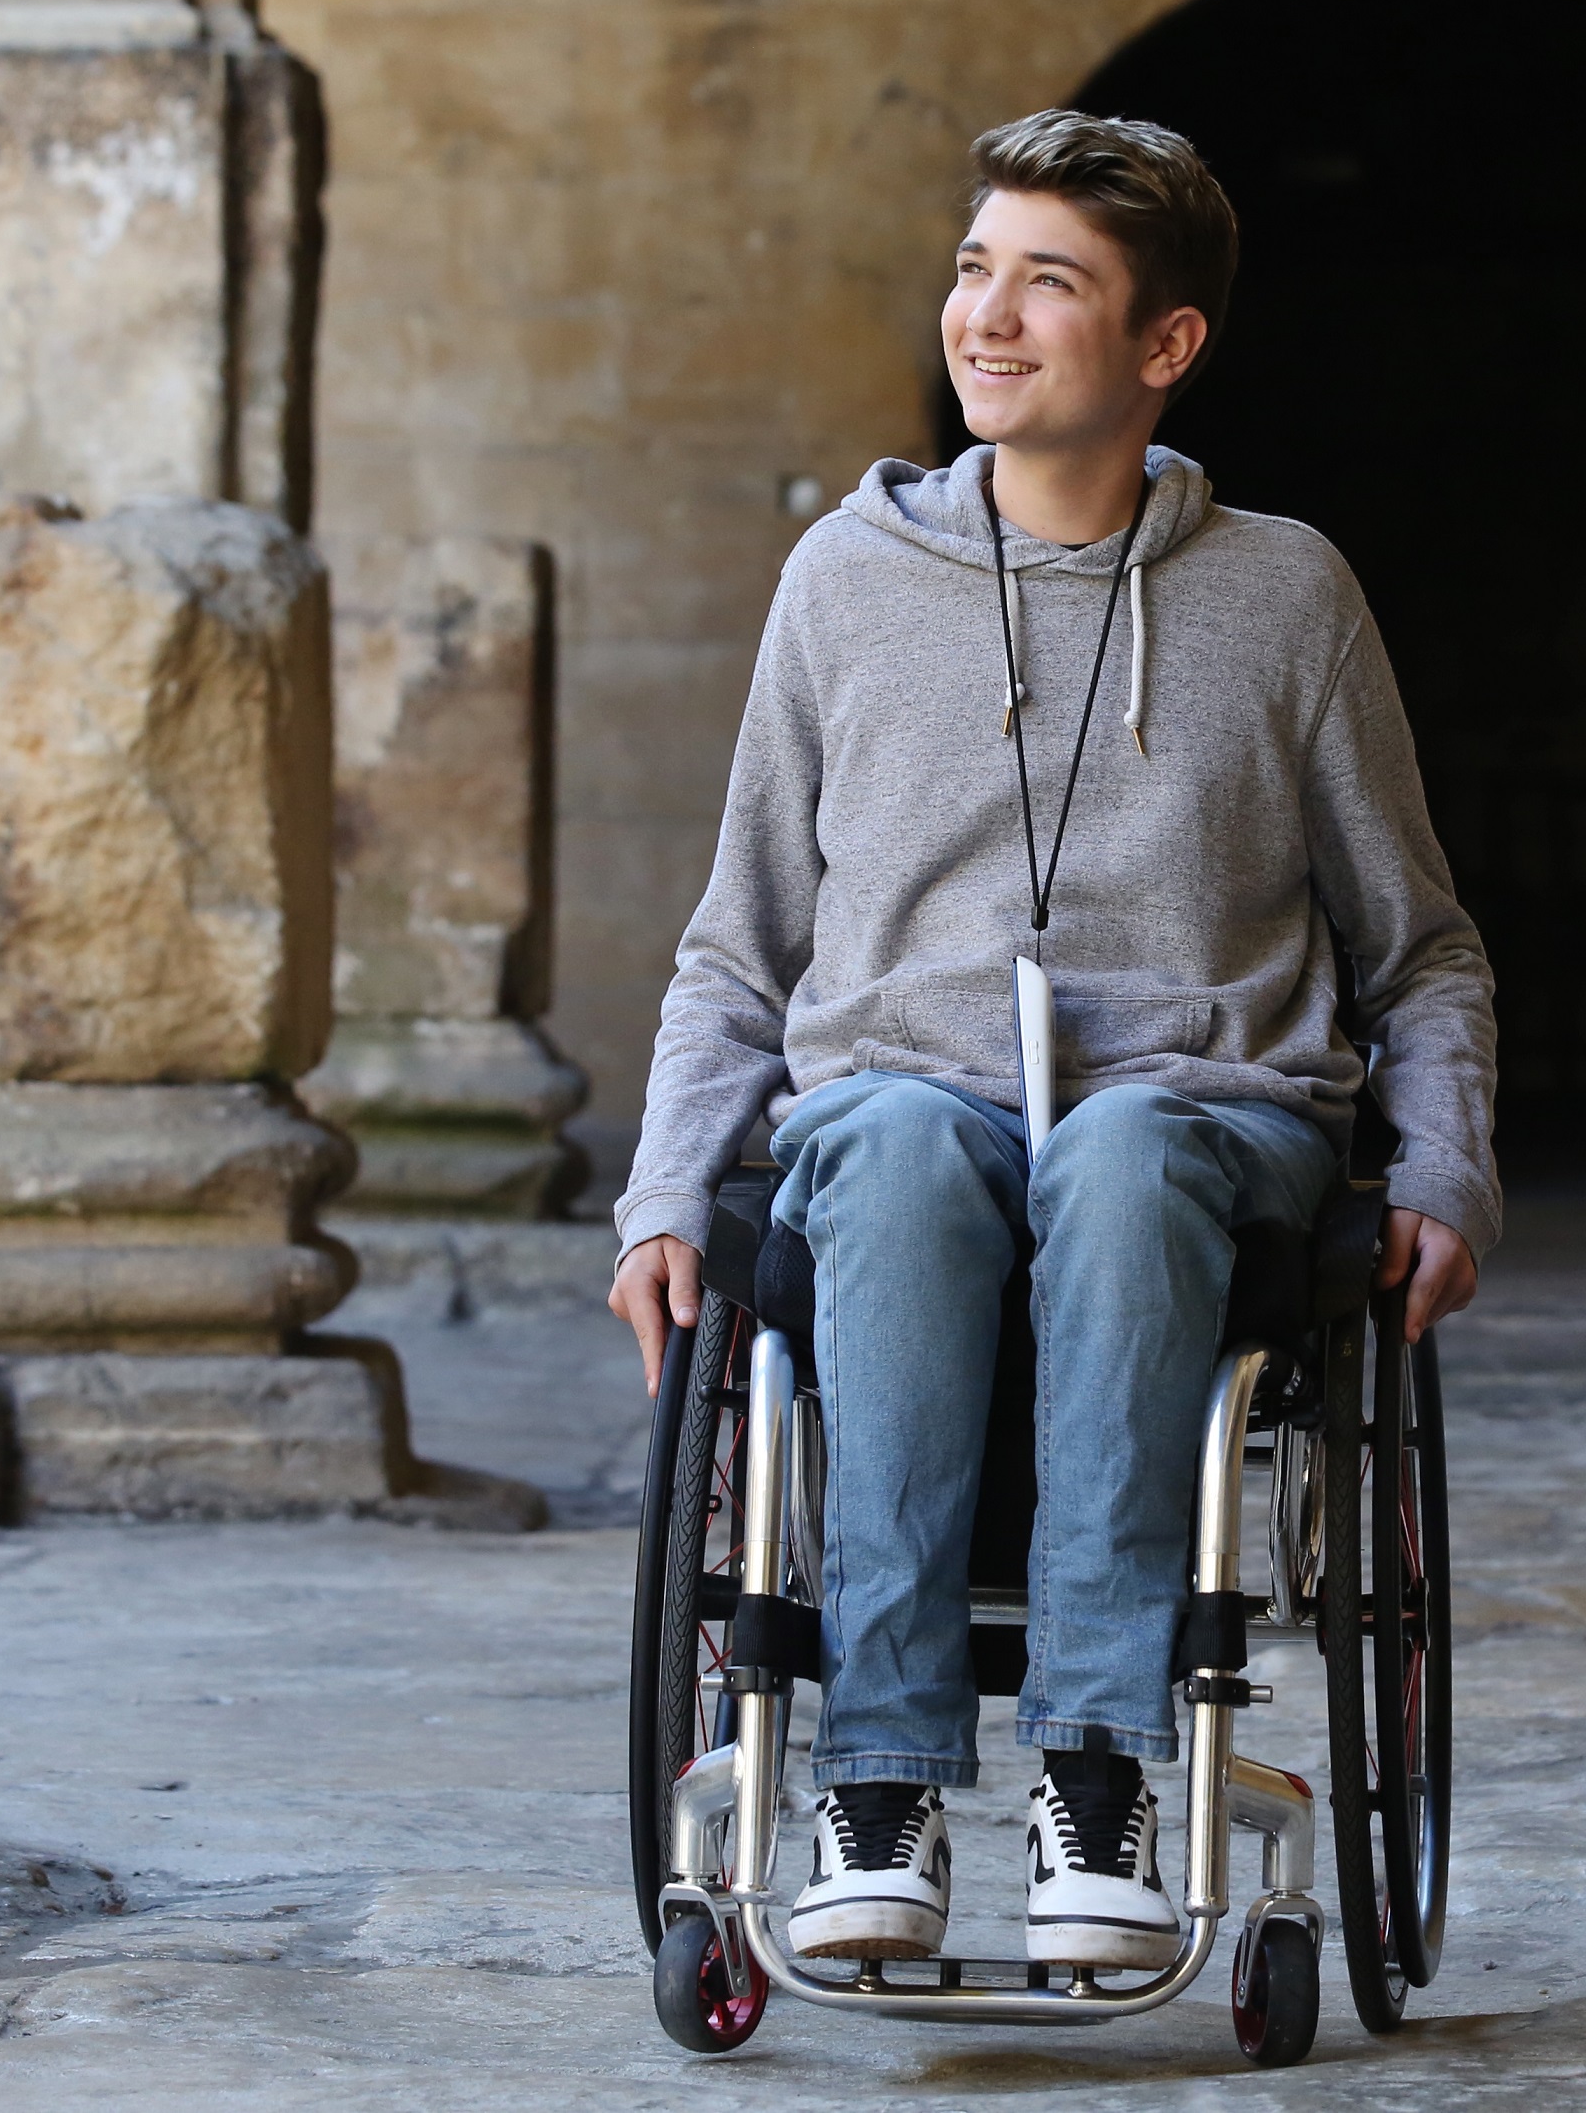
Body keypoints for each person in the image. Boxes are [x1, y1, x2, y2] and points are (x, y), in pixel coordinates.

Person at [608, 109, 1498, 1971]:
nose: (987, 317)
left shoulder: (1285, 598)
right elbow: (742, 940)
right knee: (914, 1146)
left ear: (1165, 347)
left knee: (1115, 1152)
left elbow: (1420, 946)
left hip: (1198, 1120)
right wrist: (668, 1190)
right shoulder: (846, 585)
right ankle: (882, 1784)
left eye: (1049, 282)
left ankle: (1098, 1775)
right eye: (972, 268)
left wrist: (1443, 1167)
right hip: (905, 1111)